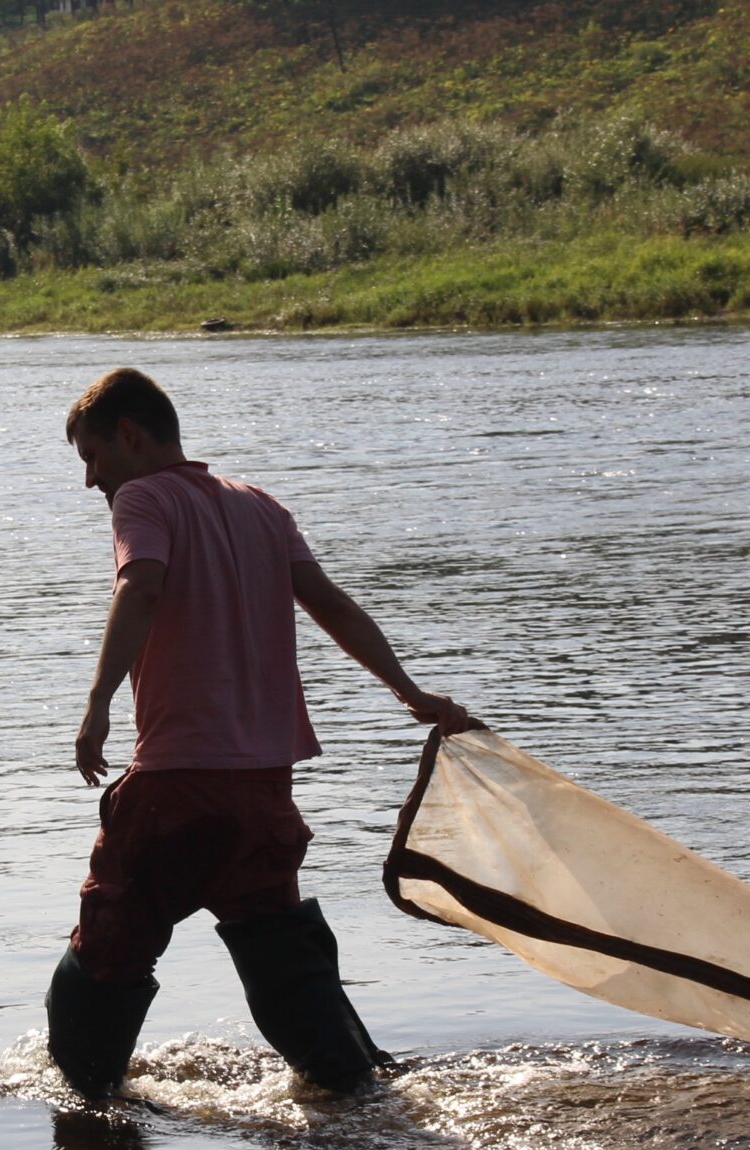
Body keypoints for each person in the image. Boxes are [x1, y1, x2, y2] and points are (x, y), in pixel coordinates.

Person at [46, 367, 470, 1098]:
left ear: (131, 434)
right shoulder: (261, 506)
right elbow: (330, 603)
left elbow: (139, 586)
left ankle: (81, 1109)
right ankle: (355, 1090)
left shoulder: (144, 496)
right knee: (280, 952)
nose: (91, 481)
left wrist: (98, 702)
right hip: (265, 791)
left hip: (175, 783)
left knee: (110, 945)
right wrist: (410, 691)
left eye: (93, 457)